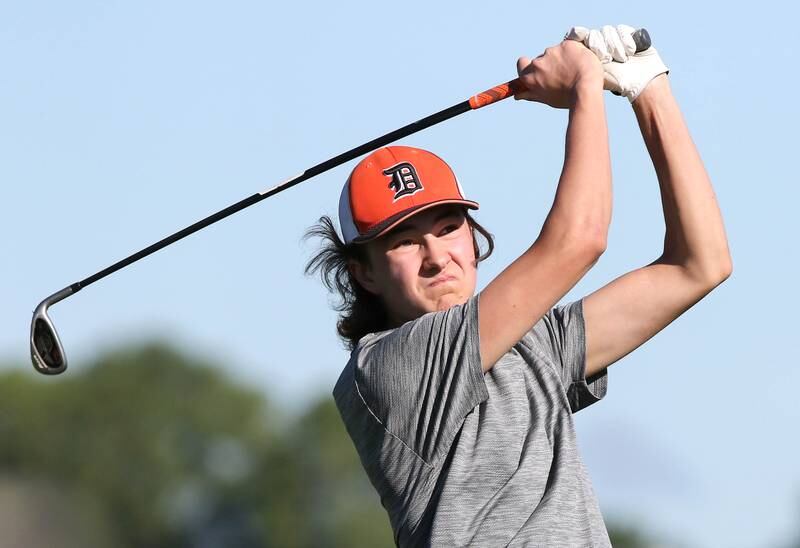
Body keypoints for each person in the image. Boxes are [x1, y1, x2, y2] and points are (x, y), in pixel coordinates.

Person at [306, 24, 732, 547]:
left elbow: (700, 264)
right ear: (363, 273)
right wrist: (583, 84)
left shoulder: (534, 343)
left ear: (472, 234)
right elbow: (580, 241)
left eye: (447, 229)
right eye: (404, 242)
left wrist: (649, 90)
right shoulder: (389, 370)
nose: (437, 257)